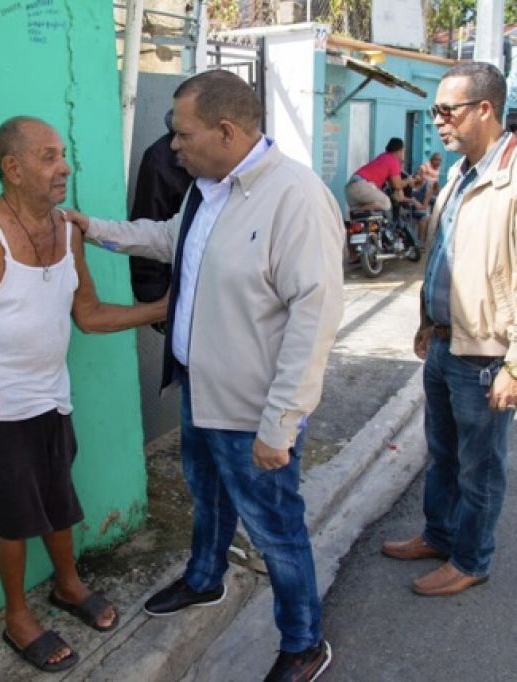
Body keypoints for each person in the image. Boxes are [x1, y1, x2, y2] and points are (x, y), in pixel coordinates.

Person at [72, 70, 342, 682]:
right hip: (202, 390)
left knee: (276, 530)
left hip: (254, 410)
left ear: (225, 131)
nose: (172, 146)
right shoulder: (208, 187)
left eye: (182, 133)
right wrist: (97, 231)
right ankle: (204, 580)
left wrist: (281, 422)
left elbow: (314, 318)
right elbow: (172, 240)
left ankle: (304, 643)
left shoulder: (295, 198)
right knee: (208, 499)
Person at [0, 117, 166, 673]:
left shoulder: (68, 230)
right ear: (13, 167)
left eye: (63, 154)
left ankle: (69, 586)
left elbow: (89, 315)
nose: (64, 166)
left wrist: (164, 309)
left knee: (57, 500)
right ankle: (19, 615)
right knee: (13, 520)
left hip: (52, 397)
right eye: (49, 157)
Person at [381, 62, 517, 597]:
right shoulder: (464, 171)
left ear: (484, 109)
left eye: (447, 110)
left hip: (488, 356)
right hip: (446, 343)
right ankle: (439, 536)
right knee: (442, 455)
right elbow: (444, 254)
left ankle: (471, 558)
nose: (438, 120)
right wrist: (428, 321)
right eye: (436, 110)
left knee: (479, 467)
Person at [129, 110, 193, 333]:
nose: (176, 145)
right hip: (182, 295)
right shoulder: (161, 158)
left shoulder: (250, 161)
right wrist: (155, 301)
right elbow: (150, 223)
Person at [345, 137, 409, 212]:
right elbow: (397, 184)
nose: (404, 154)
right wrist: (408, 181)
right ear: (399, 151)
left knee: (369, 212)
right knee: (385, 203)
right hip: (362, 187)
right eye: (403, 151)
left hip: (350, 189)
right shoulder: (393, 160)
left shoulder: (383, 156)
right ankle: (356, 211)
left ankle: (355, 213)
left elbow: (392, 184)